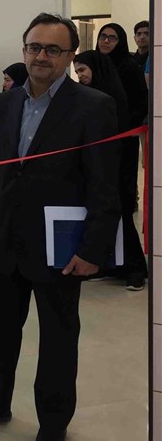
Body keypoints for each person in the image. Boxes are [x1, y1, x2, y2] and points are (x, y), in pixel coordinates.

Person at [0, 13, 121, 441]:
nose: (41, 56)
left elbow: (105, 184)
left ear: (70, 55)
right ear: (24, 50)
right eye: (34, 47)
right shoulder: (4, 104)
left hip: (60, 247)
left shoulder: (94, 106)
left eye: (53, 49)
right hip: (6, 241)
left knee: (57, 341)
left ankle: (53, 424)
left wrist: (92, 249)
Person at [73, 50, 148, 290]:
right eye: (77, 71)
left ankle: (136, 269)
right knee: (104, 217)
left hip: (118, 166)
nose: (80, 76)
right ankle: (109, 265)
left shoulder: (110, 96)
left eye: (82, 70)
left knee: (122, 215)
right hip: (97, 166)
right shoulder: (87, 94)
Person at [97, 22, 149, 288]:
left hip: (123, 146)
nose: (106, 42)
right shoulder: (96, 66)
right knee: (103, 205)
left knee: (123, 206)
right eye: (103, 37)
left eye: (112, 38)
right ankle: (112, 264)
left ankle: (135, 268)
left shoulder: (128, 67)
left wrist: (122, 128)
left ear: (121, 41)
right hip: (99, 147)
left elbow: (142, 103)